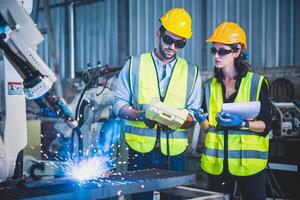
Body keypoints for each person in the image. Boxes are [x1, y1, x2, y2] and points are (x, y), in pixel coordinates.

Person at [113, 8, 201, 199]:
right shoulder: (134, 64)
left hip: (174, 152)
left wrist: (178, 119)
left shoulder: (191, 72)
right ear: (158, 33)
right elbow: (118, 104)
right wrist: (139, 115)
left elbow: (193, 114)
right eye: (169, 40)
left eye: (180, 43)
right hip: (140, 150)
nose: (172, 47)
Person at [194, 22, 271, 200]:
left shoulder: (256, 83)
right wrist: (201, 120)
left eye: (223, 51)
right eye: (214, 51)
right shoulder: (209, 86)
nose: (216, 56)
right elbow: (208, 128)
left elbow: (266, 126)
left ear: (237, 52)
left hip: (249, 165)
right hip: (217, 165)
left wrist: (243, 123)